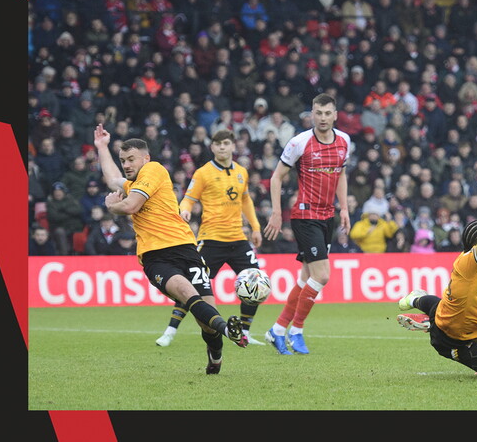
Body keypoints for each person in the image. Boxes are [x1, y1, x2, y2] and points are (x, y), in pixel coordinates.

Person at [92, 124, 246, 375]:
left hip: (186, 248)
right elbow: (111, 179)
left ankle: (216, 353)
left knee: (206, 322)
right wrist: (102, 147)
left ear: (146, 158)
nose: (127, 165)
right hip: (157, 256)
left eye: (131, 159)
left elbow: (130, 206)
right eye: (123, 161)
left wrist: (111, 207)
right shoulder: (133, 183)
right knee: (186, 292)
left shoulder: (153, 170)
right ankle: (230, 331)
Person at [394, 158, 477, 380]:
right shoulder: (469, 262)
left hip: (457, 321)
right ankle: (430, 320)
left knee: (449, 311)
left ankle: (419, 303)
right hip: (453, 342)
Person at [155, 130, 265, 348]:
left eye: (226, 143)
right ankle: (170, 331)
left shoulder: (242, 171)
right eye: (218, 144)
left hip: (238, 239)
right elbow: (188, 198)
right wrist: (184, 211)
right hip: (211, 240)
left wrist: (256, 227)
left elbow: (246, 201)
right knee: (192, 286)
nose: (222, 147)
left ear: (233, 146)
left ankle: (245, 333)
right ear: (212, 147)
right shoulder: (203, 173)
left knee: (256, 283)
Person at [262, 94, 352, 355]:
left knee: (305, 278)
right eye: (318, 113)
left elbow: (341, 174)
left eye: (327, 113)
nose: (322, 118)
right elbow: (276, 177)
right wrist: (277, 213)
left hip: (327, 216)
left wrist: (344, 207)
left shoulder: (344, 141)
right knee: (321, 275)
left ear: (335, 114)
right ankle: (297, 330)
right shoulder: (299, 143)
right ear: (312, 114)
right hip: (304, 215)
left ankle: (277, 330)